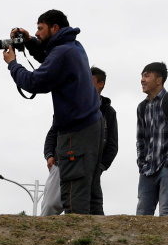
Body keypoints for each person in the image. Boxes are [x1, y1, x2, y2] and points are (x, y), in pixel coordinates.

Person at [4, 10, 101, 215]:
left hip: (77, 131)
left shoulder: (62, 52)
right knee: (87, 195)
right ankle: (91, 244)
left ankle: (78, 243)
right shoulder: (72, 46)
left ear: (55, 28)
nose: (37, 32)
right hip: (89, 127)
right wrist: (29, 40)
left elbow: (34, 82)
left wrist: (13, 64)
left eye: (40, 28)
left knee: (73, 195)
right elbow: (48, 58)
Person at [42, 66, 118, 214]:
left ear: (101, 84)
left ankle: (85, 237)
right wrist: (49, 155)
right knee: (50, 206)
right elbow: (53, 132)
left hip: (90, 167)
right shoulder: (69, 104)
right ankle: (46, 237)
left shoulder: (108, 112)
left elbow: (112, 145)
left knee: (87, 209)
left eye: (89, 80)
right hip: (62, 162)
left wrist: (100, 166)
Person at [135, 61, 168, 216]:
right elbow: (140, 139)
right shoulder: (142, 107)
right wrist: (142, 163)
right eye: (142, 76)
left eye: (146, 75)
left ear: (159, 80)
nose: (142, 80)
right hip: (147, 169)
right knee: (142, 215)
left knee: (165, 213)